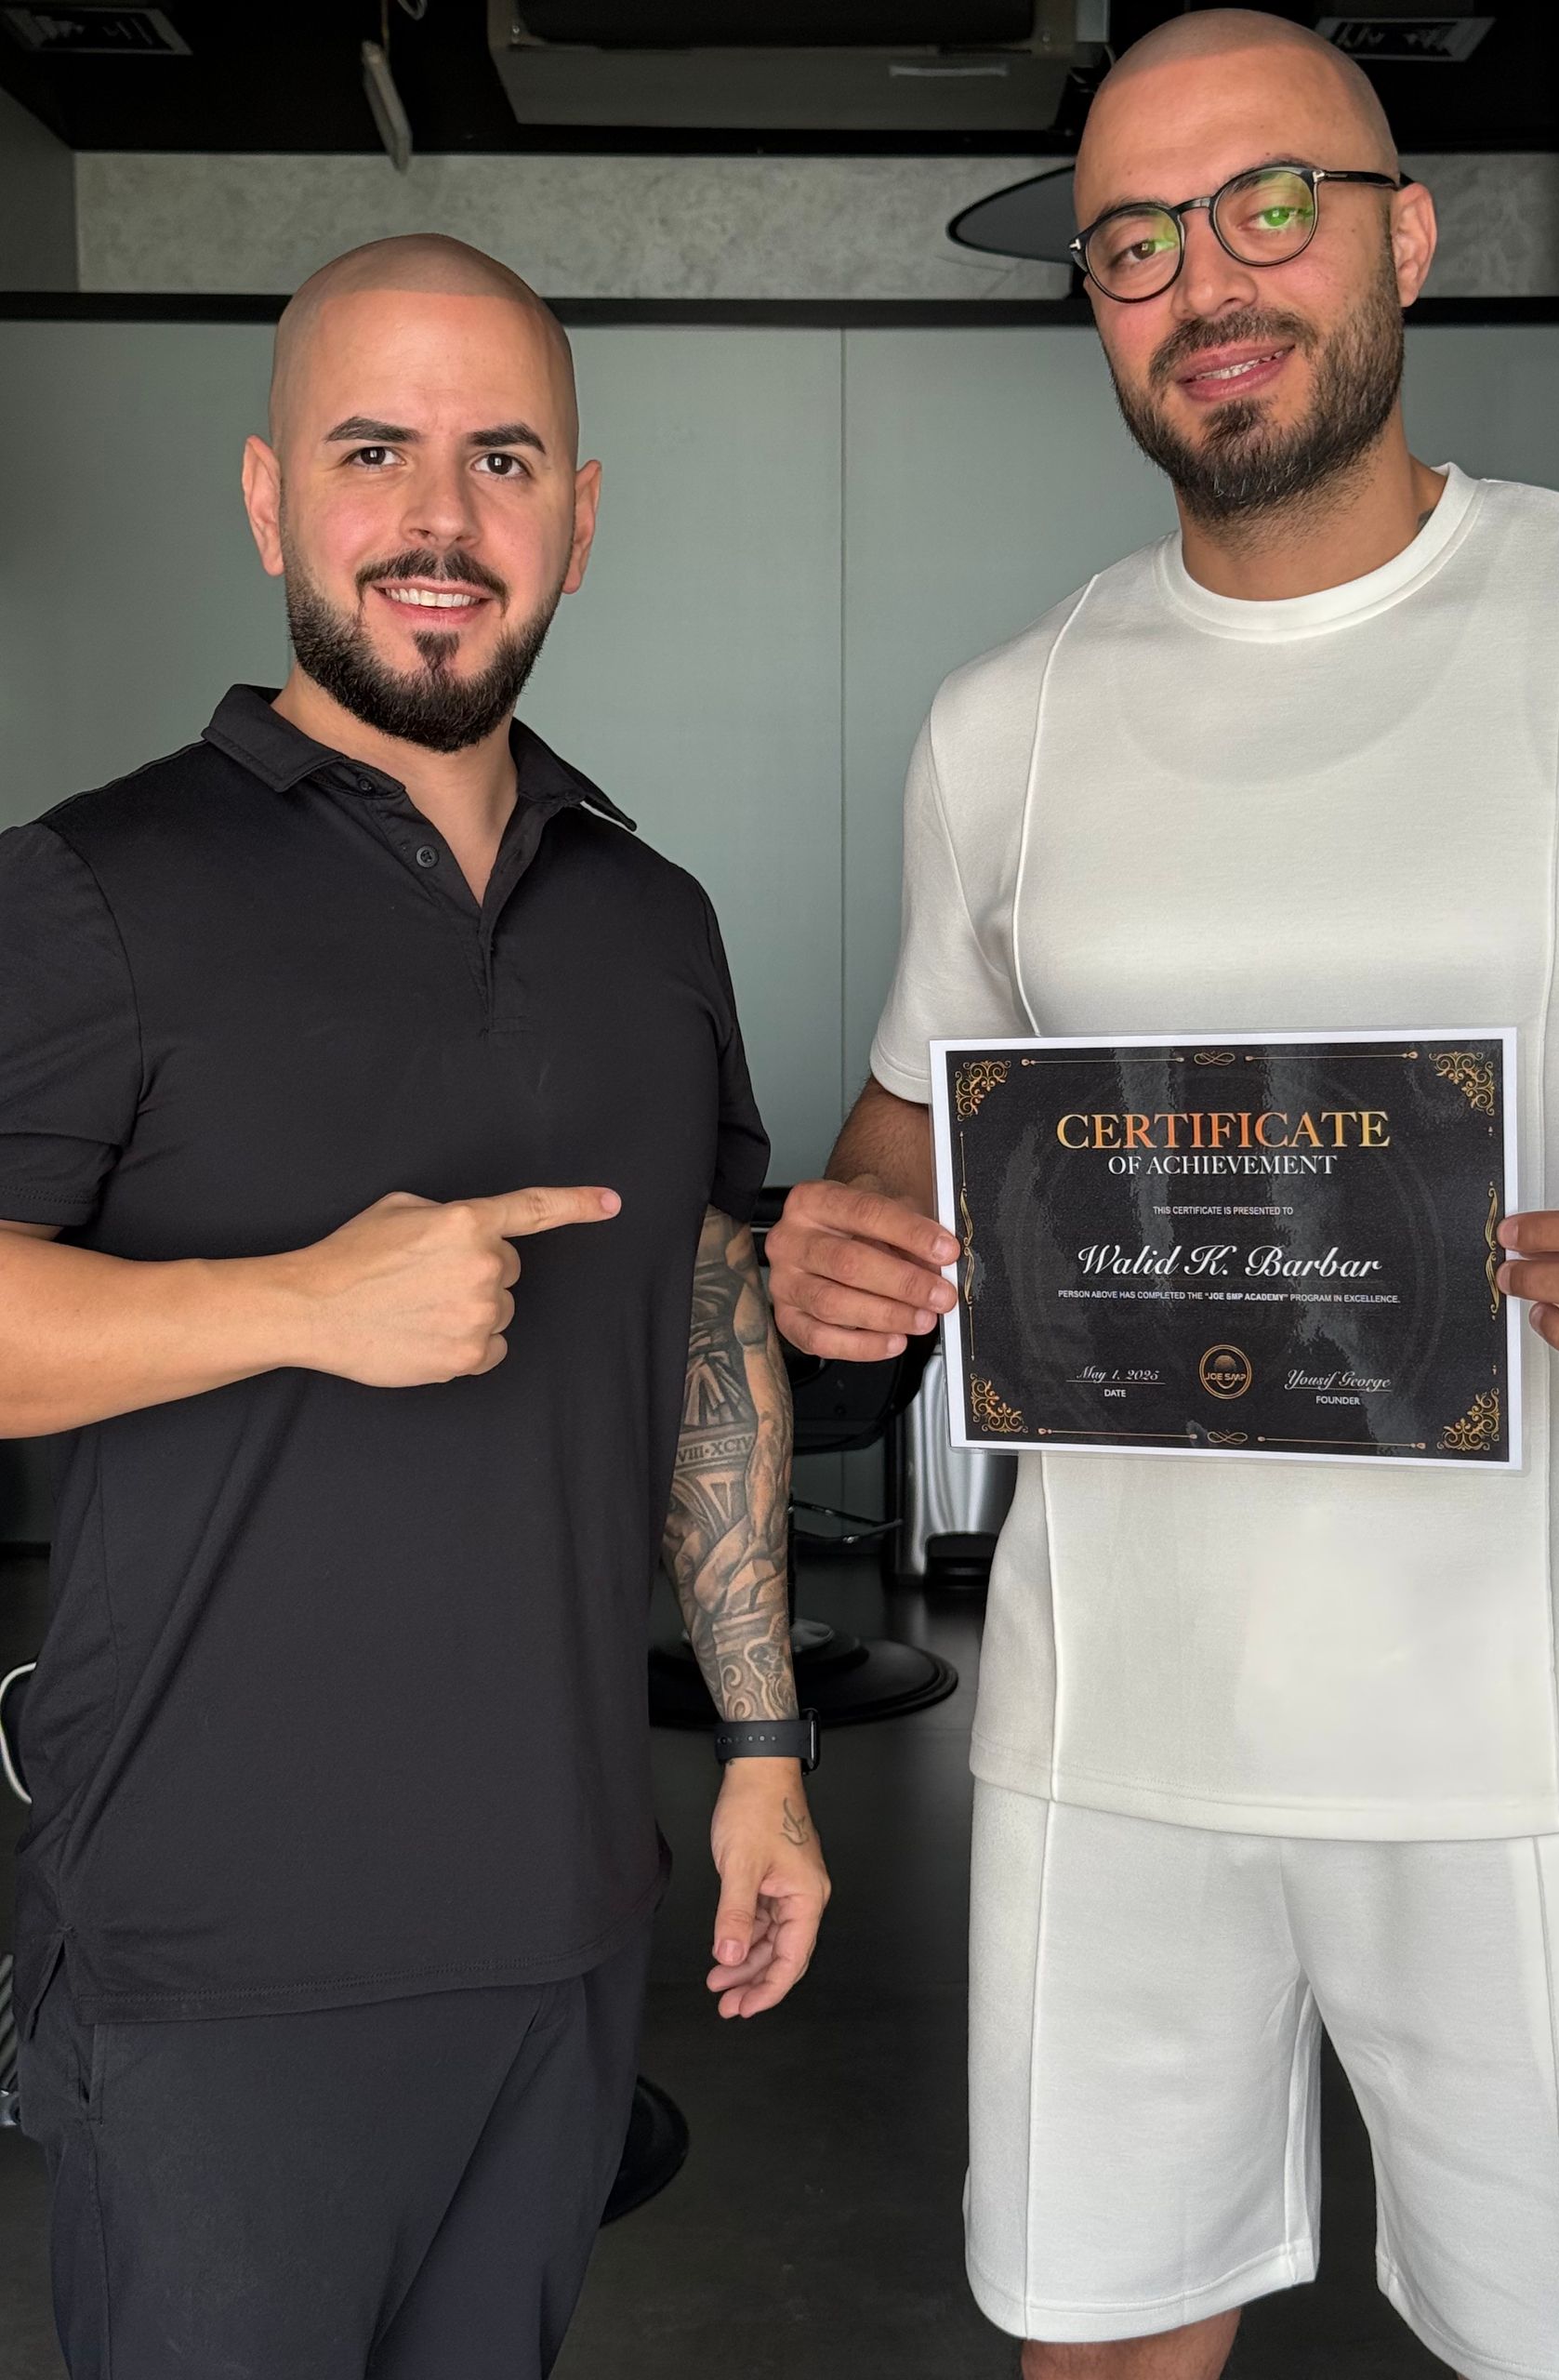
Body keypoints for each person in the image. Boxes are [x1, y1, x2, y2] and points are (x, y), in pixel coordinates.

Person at [766, 15, 1559, 2379]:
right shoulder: (1001, 720)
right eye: (1134, 240)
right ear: (1098, 304)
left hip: (1537, 1742)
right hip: (1112, 1724)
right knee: (1102, 2340)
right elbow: (906, 1137)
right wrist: (841, 1240)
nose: (1204, 278)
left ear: (1402, 233)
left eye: (1268, 205)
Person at [0, 234, 828, 2380]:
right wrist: (294, 1298)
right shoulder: (91, 888)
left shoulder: (652, 916)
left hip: (562, 1928)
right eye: (378, 454)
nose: (442, 521)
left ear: (578, 511)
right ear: (273, 498)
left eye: (502, 458)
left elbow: (708, 1319)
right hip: (212, 1959)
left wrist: (759, 1746)